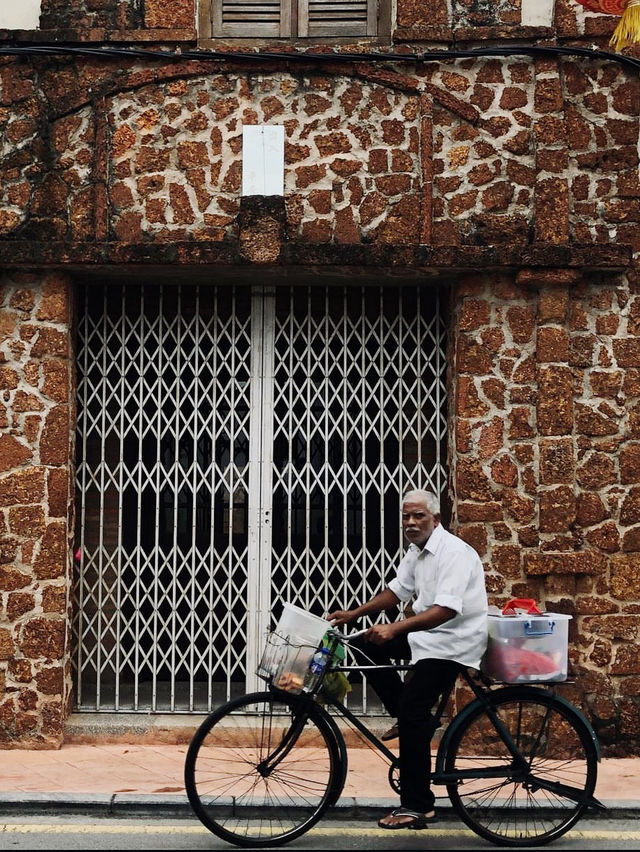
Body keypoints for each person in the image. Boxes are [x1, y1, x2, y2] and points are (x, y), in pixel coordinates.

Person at [328, 488, 488, 831]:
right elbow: (396, 591)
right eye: (406, 516)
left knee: (414, 713)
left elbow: (445, 610)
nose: (411, 523)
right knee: (366, 645)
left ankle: (418, 805)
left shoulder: (454, 553)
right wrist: (355, 614)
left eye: (419, 516)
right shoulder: (417, 552)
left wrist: (396, 628)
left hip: (452, 643)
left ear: (436, 519)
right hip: (426, 638)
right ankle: (410, 719)